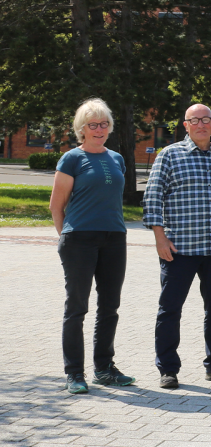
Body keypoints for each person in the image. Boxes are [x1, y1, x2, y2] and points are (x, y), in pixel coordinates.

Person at [144, 103, 211, 388]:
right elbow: (152, 199)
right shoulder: (169, 155)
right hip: (179, 248)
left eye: (206, 119)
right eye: (195, 120)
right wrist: (159, 237)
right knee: (170, 309)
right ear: (186, 125)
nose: (201, 124)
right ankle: (168, 369)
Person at [51, 99, 134, 394]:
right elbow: (56, 205)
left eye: (104, 124)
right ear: (81, 129)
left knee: (110, 307)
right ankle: (74, 373)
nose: (99, 129)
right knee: (77, 308)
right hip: (79, 240)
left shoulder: (117, 158)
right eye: (92, 125)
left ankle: (104, 368)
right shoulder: (72, 159)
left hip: (115, 238)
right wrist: (66, 238)